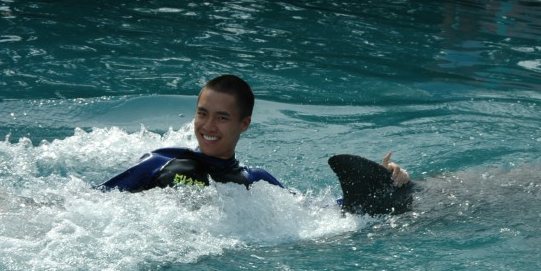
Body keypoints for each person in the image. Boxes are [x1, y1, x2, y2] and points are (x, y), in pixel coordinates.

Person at [99, 74, 410, 193]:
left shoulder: (257, 181)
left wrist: (383, 180)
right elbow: (92, 202)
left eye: (222, 118)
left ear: (244, 124)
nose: (208, 126)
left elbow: (316, 219)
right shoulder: (160, 163)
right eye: (202, 114)